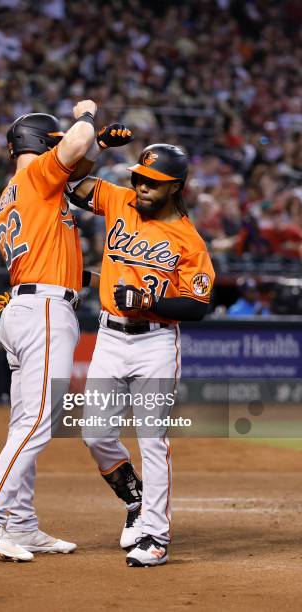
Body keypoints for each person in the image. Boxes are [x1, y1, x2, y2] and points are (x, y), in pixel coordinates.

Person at [0, 100, 110, 562]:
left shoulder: (20, 189)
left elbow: (57, 258)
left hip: (30, 305)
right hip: (44, 310)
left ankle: (21, 522)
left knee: (25, 422)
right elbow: (76, 143)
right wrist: (87, 115)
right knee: (39, 423)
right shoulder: (35, 177)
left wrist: (100, 143)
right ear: (41, 145)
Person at [68, 143, 215, 567]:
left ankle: (155, 536)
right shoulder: (120, 200)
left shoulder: (189, 240)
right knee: (95, 433)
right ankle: (135, 499)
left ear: (176, 188)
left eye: (153, 182)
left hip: (156, 343)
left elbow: (198, 305)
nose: (142, 186)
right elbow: (73, 183)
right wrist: (94, 148)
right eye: (139, 177)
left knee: (153, 440)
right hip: (110, 339)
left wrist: (148, 301)